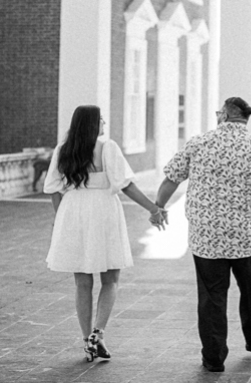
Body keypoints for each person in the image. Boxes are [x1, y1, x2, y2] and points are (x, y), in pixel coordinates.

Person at [154, 97, 251, 373]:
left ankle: (213, 358)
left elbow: (171, 178)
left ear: (224, 115)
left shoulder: (199, 143)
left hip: (207, 235)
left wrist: (158, 207)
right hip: (246, 234)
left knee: (211, 296)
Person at [44, 105, 168, 362]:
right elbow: (126, 185)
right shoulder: (106, 147)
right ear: (92, 124)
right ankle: (98, 334)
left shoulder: (62, 150)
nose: (104, 124)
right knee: (110, 278)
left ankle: (85, 338)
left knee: (82, 281)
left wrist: (61, 219)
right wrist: (153, 209)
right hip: (102, 211)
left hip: (73, 210)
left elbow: (54, 189)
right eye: (101, 120)